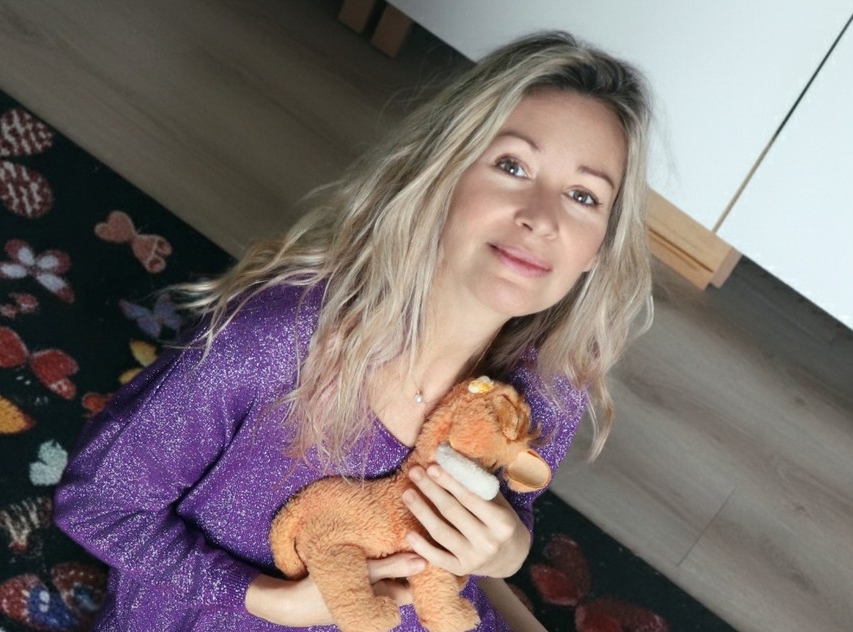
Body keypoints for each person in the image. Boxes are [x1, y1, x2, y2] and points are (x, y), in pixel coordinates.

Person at [54, 30, 653, 631]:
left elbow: (513, 502)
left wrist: (510, 550)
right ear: (441, 174)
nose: (541, 218)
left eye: (584, 196)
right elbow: (96, 503)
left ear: (598, 251)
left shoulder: (551, 384)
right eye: (513, 165)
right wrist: (273, 600)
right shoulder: (277, 343)